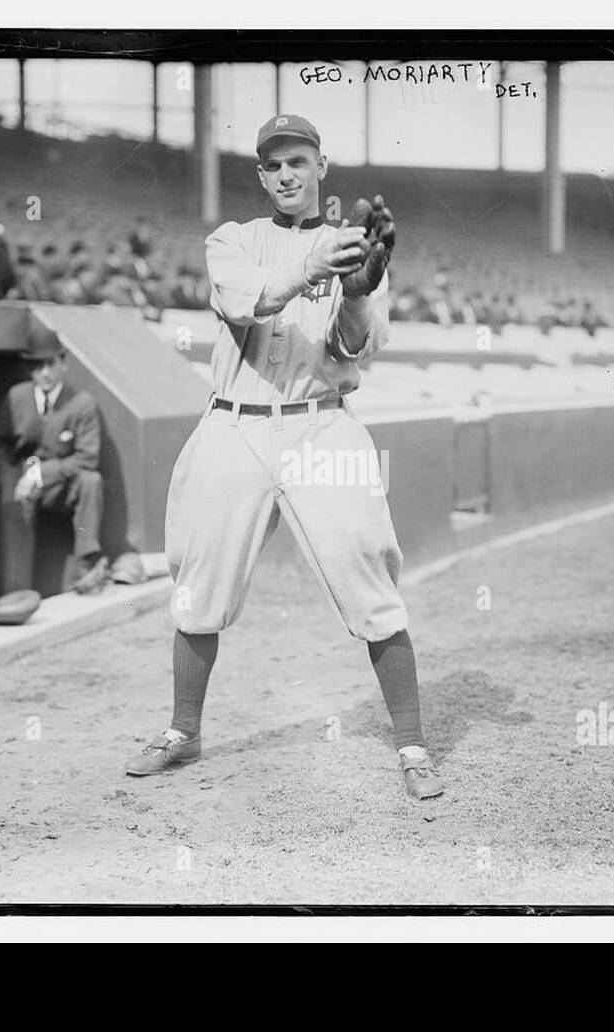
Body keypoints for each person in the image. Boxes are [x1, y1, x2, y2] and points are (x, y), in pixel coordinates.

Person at [124, 113, 444, 801]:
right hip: (235, 421)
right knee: (198, 578)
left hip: (319, 424)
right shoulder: (232, 240)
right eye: (274, 165)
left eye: (299, 160)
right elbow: (246, 303)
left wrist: (356, 294)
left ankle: (413, 744)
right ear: (261, 176)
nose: (287, 174)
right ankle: (184, 730)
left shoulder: (350, 245)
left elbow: (355, 348)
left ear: (322, 167)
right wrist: (313, 268)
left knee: (368, 572)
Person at [0, 328, 109, 597]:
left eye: (50, 364)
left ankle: (86, 567)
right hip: (23, 483)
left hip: (60, 487)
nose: (44, 372)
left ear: (63, 364)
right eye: (36, 366)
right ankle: (16, 592)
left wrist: (41, 473)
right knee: (12, 499)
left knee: (91, 481)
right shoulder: (17, 397)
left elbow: (88, 458)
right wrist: (9, 478)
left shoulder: (82, 403)